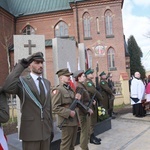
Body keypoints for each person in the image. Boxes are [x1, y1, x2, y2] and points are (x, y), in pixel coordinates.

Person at [3, 52, 54, 150]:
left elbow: (48, 107)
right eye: (37, 62)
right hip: (31, 132)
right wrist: (20, 66)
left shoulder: (47, 83)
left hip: (46, 132)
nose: (40, 65)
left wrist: (50, 128)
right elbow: (7, 87)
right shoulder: (23, 81)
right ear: (30, 64)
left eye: (41, 63)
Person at [52, 68, 82, 150]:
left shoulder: (70, 89)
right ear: (60, 78)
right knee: (65, 146)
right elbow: (54, 107)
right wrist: (68, 112)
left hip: (74, 120)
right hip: (66, 122)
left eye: (69, 75)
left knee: (72, 145)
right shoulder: (58, 90)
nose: (69, 77)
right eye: (66, 75)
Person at [73, 70, 93, 150]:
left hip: (84, 112)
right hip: (83, 113)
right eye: (83, 76)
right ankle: (84, 147)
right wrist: (88, 110)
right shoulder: (79, 87)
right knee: (85, 132)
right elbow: (79, 103)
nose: (85, 77)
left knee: (86, 131)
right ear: (79, 77)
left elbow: (85, 99)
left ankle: (85, 146)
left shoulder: (82, 86)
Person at [84, 68, 103, 145]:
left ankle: (93, 136)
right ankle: (91, 138)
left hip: (92, 102)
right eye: (91, 73)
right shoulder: (88, 82)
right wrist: (100, 97)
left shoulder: (91, 82)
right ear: (87, 75)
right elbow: (93, 91)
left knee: (93, 120)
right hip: (89, 104)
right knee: (91, 121)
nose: (92, 74)